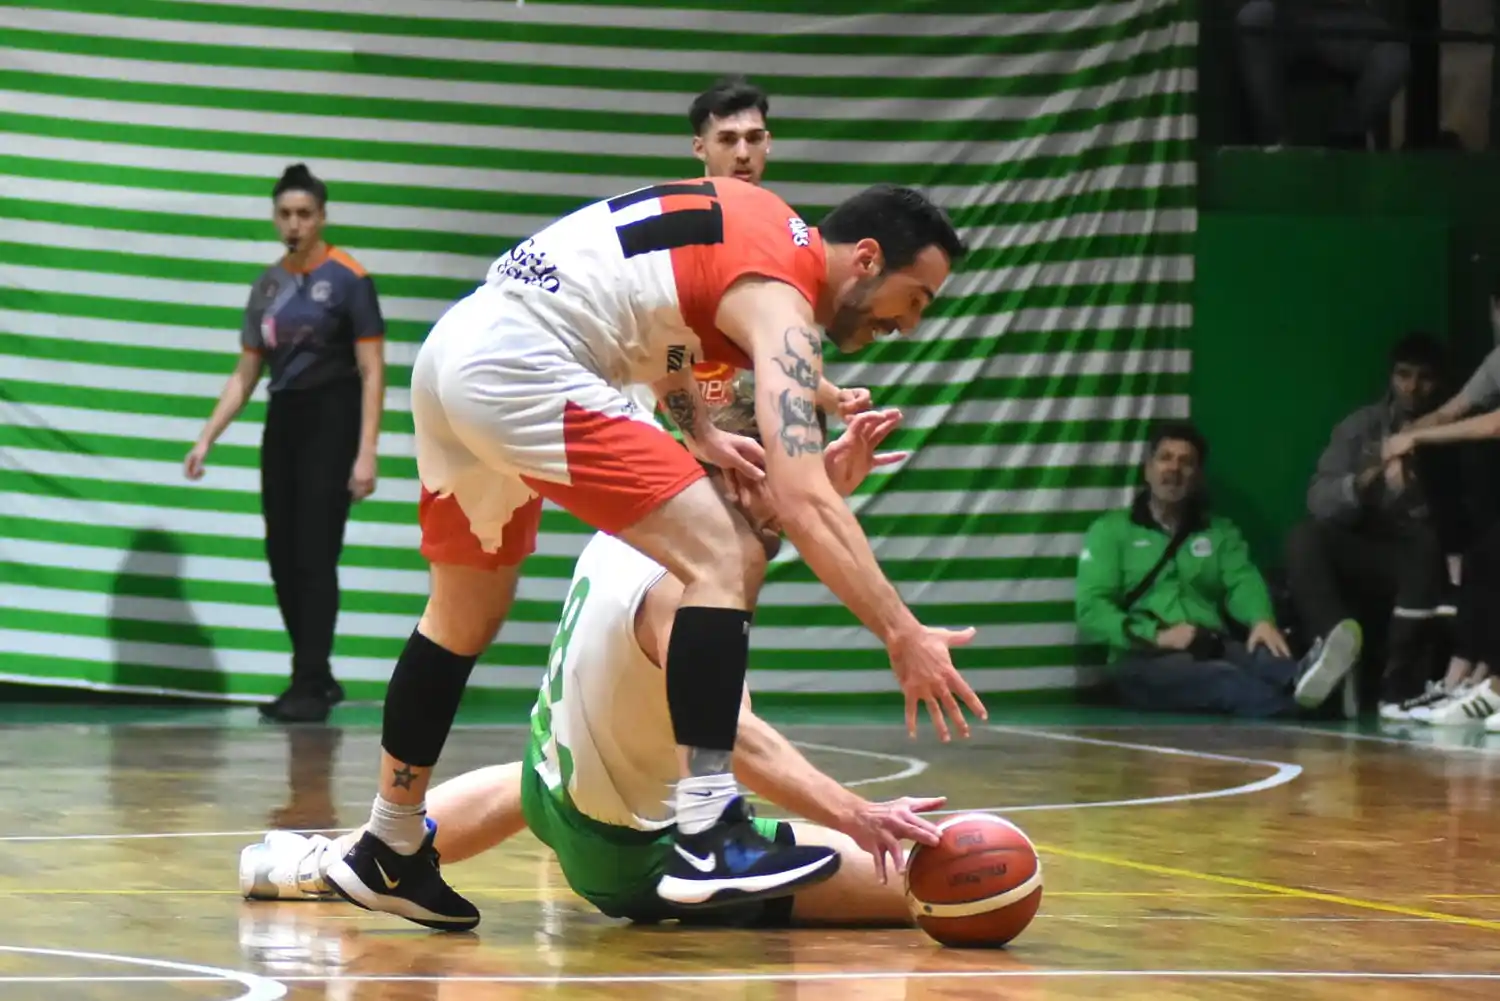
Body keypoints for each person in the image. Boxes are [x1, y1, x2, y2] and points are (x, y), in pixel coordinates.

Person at [324, 176, 986, 932]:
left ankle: (390, 841)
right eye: (916, 298)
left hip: (456, 350)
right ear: (866, 258)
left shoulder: (747, 228)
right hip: (525, 363)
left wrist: (699, 430)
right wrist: (902, 631)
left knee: (461, 615)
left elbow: (658, 318)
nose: (909, 324)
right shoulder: (784, 295)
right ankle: (708, 831)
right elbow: (801, 495)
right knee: (722, 554)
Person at [242, 387, 939, 930]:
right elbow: (734, 739)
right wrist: (855, 812)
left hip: (549, 791)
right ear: (747, 472)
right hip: (635, 855)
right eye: (799, 482)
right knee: (930, 880)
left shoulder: (639, 520)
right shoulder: (692, 583)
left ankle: (324, 860)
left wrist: (815, 492)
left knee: (546, 768)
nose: (810, 501)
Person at [184, 163, 386, 724]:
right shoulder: (268, 286)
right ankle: (316, 675)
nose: (294, 224)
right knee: (282, 554)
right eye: (285, 214)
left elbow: (372, 369)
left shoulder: (350, 280)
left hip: (333, 419)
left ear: (322, 217)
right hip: (285, 421)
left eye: (304, 214)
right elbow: (246, 372)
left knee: (316, 555)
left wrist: (367, 452)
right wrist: (206, 438)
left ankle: (309, 682)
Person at [1076, 422, 1360, 717]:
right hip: (1142, 657)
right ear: (1148, 470)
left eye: (1186, 462)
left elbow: (1242, 579)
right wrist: (1159, 636)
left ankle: (1311, 678)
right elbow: (1091, 609)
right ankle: (1309, 707)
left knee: (1266, 657)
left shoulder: (1220, 532)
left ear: (1197, 477)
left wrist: (1261, 619)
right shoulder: (1110, 531)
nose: (1174, 469)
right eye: (1165, 458)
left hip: (1209, 644)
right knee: (1225, 679)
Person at [1286, 333, 1456, 719]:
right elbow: (1318, 499)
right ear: (1391, 378)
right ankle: (1336, 648)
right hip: (1363, 543)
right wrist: (1365, 482)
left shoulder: (1454, 434)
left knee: (1423, 544)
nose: (1413, 387)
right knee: (1303, 537)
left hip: (1420, 553)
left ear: (1440, 383)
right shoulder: (1361, 427)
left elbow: (1458, 519)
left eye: (1425, 378)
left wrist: (1412, 491)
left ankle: (1398, 684)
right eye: (1404, 375)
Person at [686, 74, 871, 420]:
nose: (743, 153)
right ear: (700, 147)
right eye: (727, 140)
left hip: (728, 424)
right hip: (650, 407)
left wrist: (834, 397)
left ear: (768, 142)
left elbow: (777, 346)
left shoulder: (783, 228)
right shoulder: (681, 221)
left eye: (754, 138)